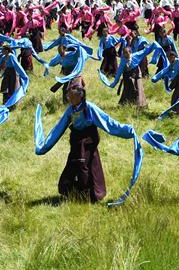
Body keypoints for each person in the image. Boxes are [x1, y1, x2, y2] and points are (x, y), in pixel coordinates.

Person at [34, 76, 144, 207]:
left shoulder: (90, 108)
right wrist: (45, 147)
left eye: (70, 94)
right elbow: (58, 128)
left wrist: (126, 130)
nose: (68, 97)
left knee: (86, 166)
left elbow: (107, 122)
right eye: (68, 94)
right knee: (73, 165)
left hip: (88, 141)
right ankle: (74, 193)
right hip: (76, 141)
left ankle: (90, 195)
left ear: (79, 94)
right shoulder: (70, 110)